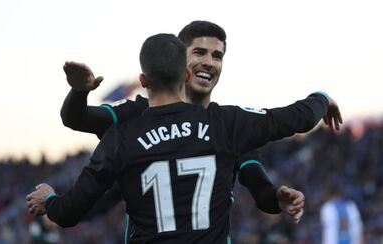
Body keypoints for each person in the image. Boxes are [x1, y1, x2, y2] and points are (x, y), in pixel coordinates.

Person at [27, 33, 332, 243]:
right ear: (186, 75)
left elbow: (69, 212)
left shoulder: (122, 134)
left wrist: (50, 199)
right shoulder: (226, 123)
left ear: (143, 81)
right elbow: (298, 117)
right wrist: (323, 99)